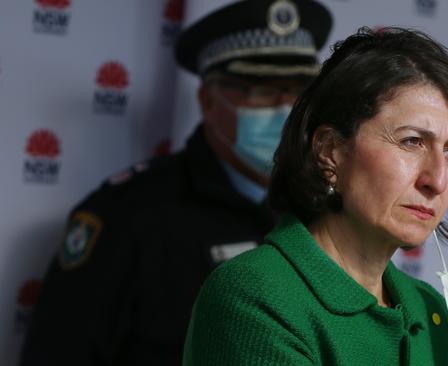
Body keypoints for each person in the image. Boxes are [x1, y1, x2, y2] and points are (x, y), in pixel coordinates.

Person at [20, 1, 332, 365]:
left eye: (298, 90)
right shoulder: (128, 217)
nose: (286, 109)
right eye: (259, 90)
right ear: (207, 101)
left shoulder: (327, 209)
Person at [183, 26, 448, 365]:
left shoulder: (430, 309)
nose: (438, 180)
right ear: (330, 152)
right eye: (412, 141)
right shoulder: (255, 295)